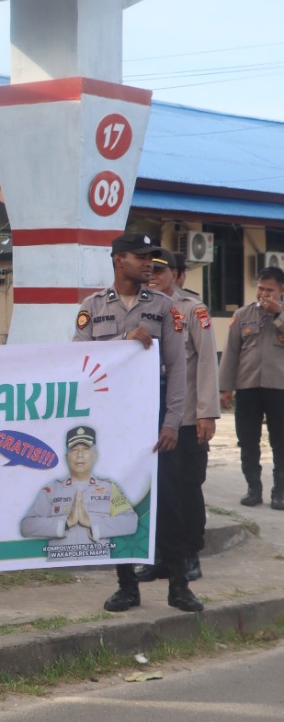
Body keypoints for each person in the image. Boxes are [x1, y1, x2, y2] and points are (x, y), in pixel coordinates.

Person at [73, 231, 195, 613]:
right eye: (141, 257)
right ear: (118, 260)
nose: (149, 264)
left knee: (170, 499)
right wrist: (123, 340)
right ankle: (127, 585)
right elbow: (79, 361)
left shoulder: (164, 306)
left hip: (154, 411)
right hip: (111, 416)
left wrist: (172, 421)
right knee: (115, 498)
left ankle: (179, 585)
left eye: (152, 259)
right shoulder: (91, 307)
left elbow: (177, 369)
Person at [136, 249, 220, 581]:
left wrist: (207, 413)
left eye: (161, 269)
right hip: (150, 418)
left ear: (177, 274)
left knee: (187, 486)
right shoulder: (142, 308)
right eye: (149, 269)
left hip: (186, 417)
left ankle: (190, 554)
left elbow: (206, 362)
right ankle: (161, 555)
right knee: (159, 490)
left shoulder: (193, 310)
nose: (153, 274)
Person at [219, 265, 284, 509]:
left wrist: (278, 315)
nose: (263, 294)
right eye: (260, 288)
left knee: (281, 442)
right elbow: (231, 354)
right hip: (248, 388)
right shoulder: (243, 315)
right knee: (247, 441)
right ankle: (253, 489)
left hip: (279, 389)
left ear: (281, 290)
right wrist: (225, 388)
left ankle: (280, 492)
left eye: (270, 290)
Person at [19, 424, 138, 545]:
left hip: (98, 563)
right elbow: (26, 526)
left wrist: (91, 522)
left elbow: (131, 522)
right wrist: (66, 522)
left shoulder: (109, 488)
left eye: (86, 449)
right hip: (61, 561)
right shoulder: (51, 490)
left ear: (95, 455)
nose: (79, 454)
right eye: (74, 449)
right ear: (66, 457)